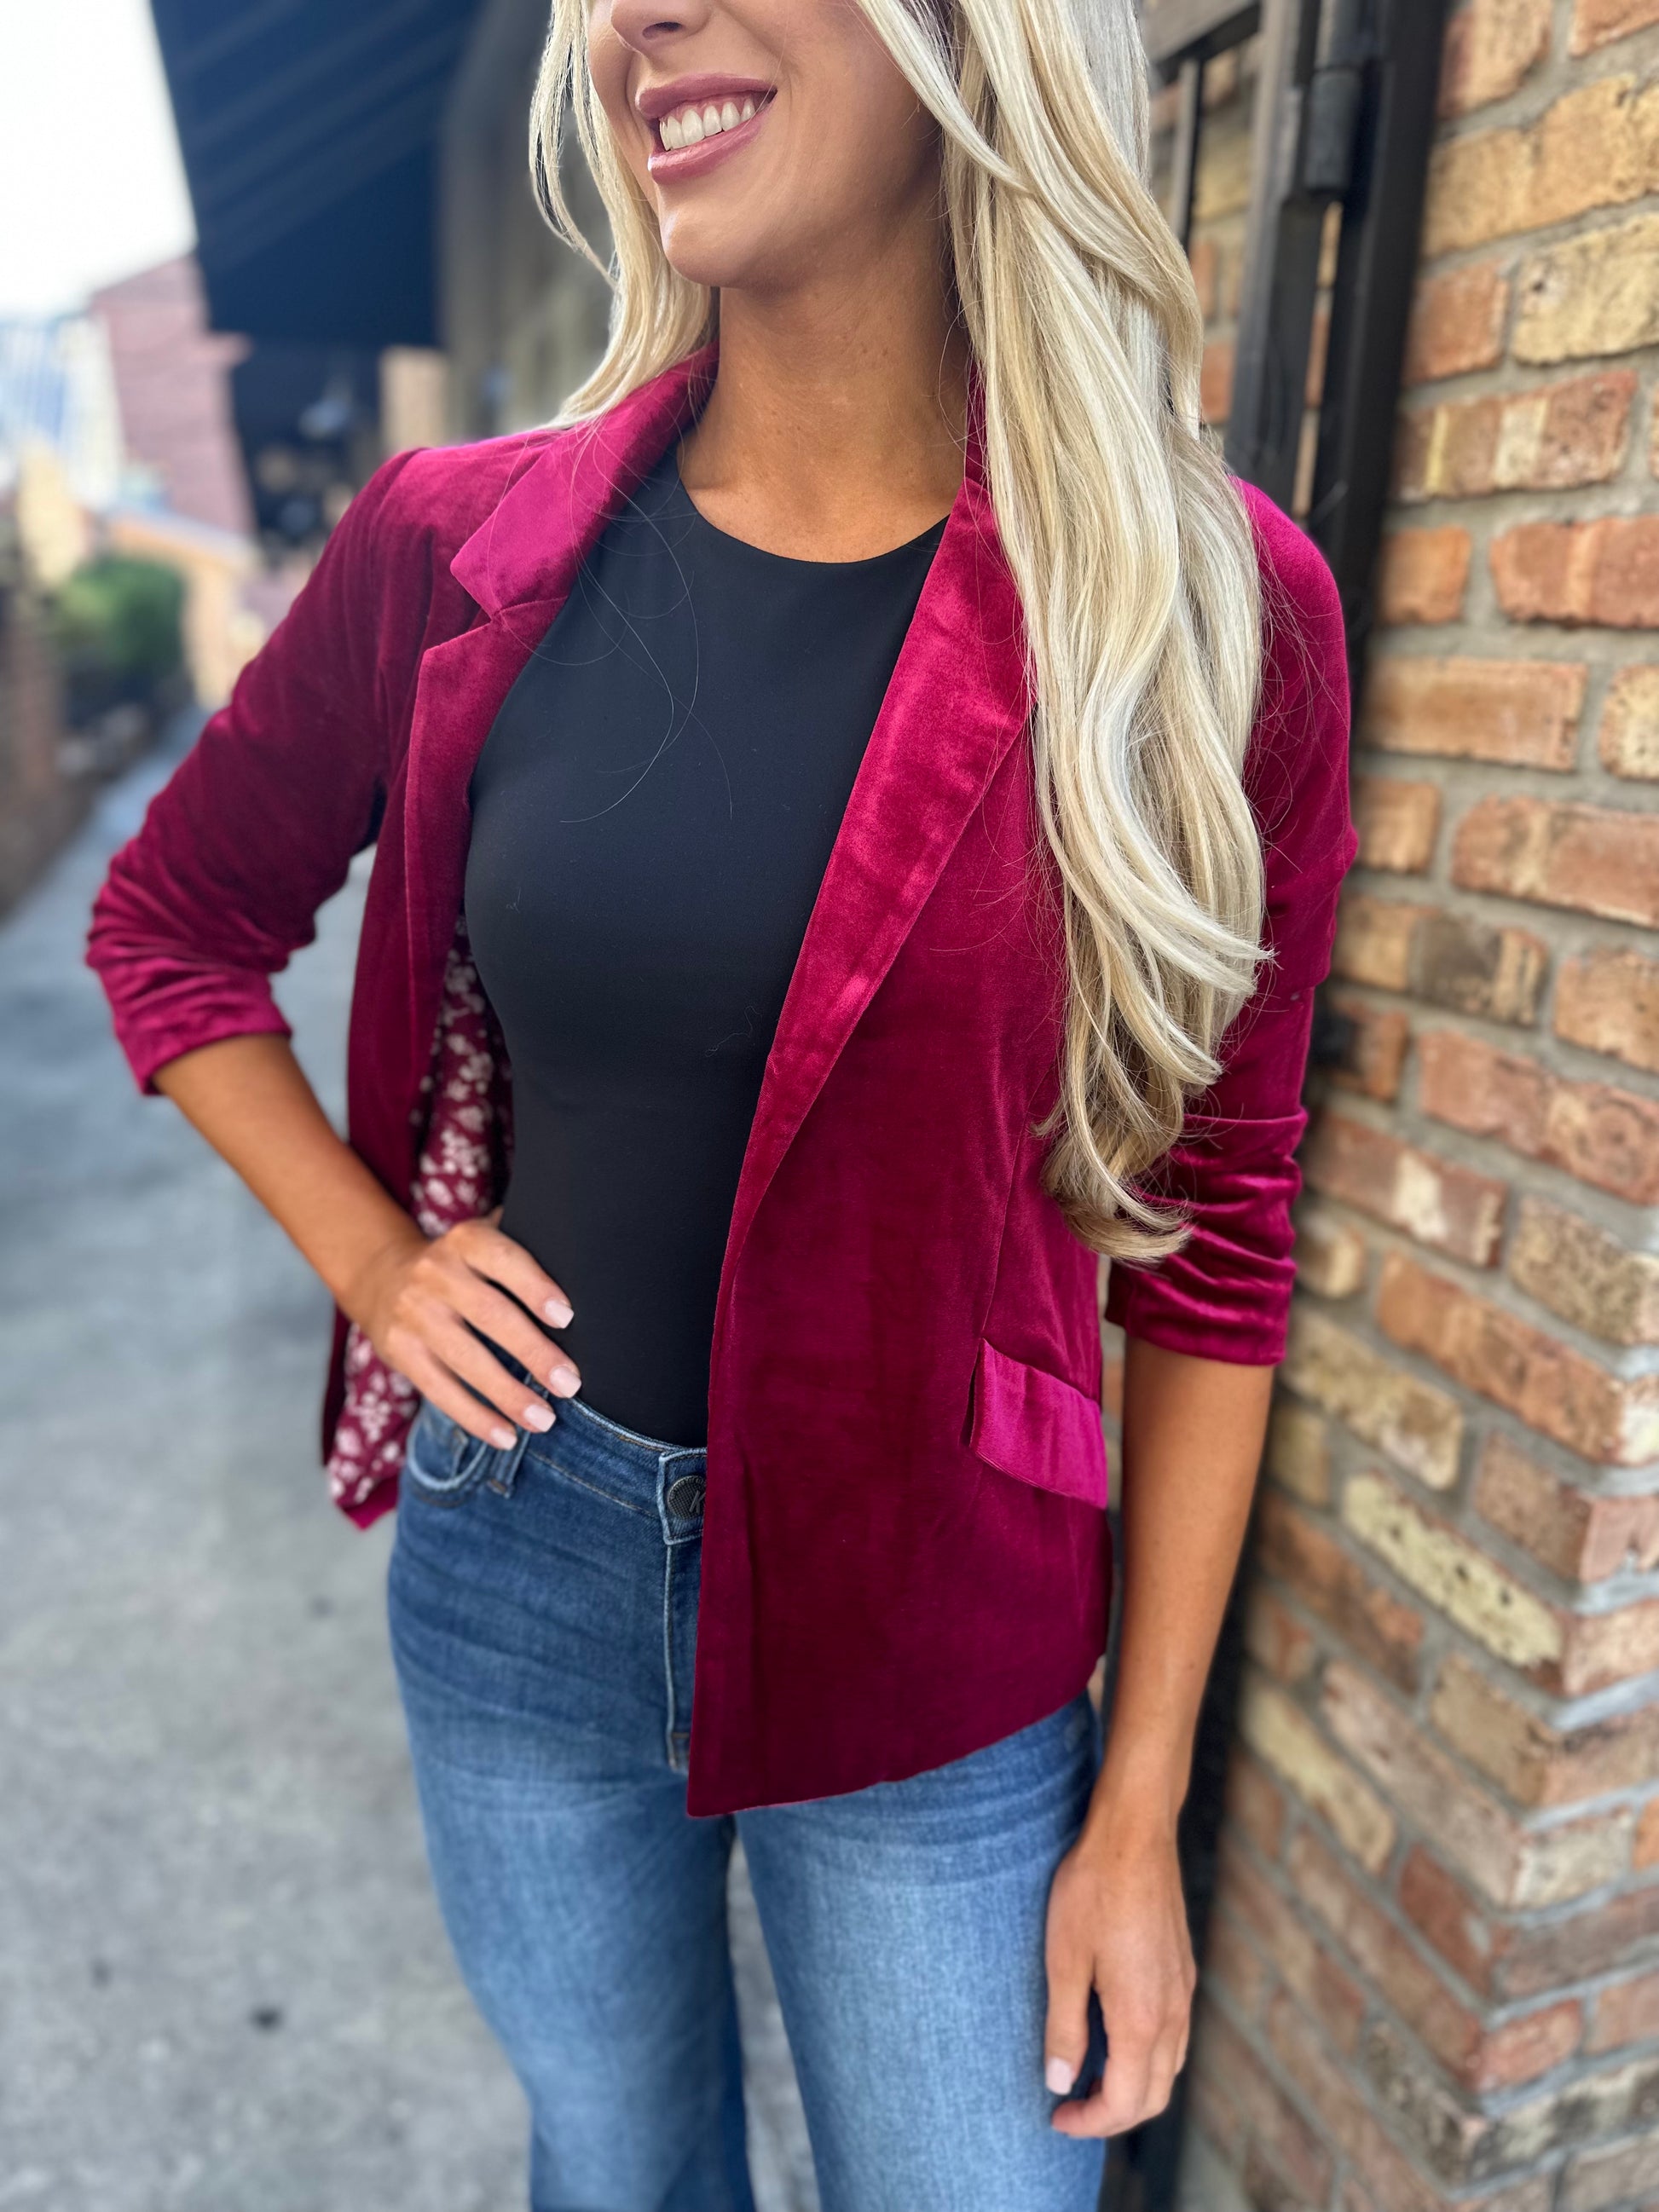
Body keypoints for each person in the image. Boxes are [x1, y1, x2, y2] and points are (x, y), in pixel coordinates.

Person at [88, 2, 1354, 2206]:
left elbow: (1219, 1230)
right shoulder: (456, 542)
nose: (637, 17)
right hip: (522, 1551)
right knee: (616, 2168)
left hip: (941, 1613)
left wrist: (1138, 1802)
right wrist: (375, 1258)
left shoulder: (1204, 609)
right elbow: (173, 922)